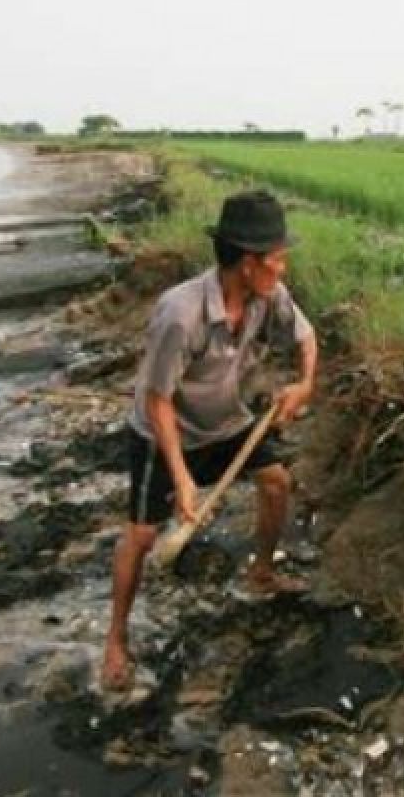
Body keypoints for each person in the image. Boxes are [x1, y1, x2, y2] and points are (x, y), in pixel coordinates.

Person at [102, 189, 318, 690]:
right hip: (163, 432)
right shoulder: (181, 314)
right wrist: (182, 480)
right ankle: (115, 638)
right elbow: (156, 401)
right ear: (248, 263)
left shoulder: (269, 298)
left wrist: (303, 386)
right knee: (142, 535)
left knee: (276, 482)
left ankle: (261, 572)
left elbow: (306, 339)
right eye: (278, 258)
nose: (284, 268)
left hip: (225, 420)